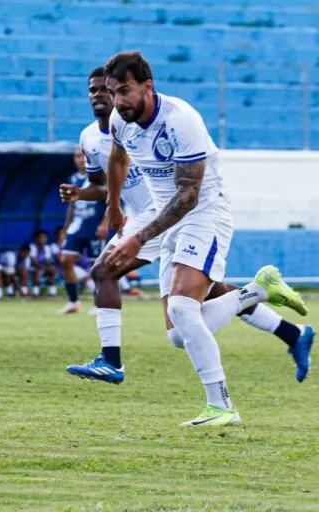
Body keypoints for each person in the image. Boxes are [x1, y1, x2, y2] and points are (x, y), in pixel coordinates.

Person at [79, 52, 310, 426]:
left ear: (147, 86)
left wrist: (138, 240)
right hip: (159, 213)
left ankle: (221, 405)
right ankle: (258, 291)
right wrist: (114, 208)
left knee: (183, 309)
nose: (118, 101)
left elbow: (188, 196)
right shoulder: (121, 123)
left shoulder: (180, 120)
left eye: (125, 91)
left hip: (203, 211)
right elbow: (118, 160)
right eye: (112, 92)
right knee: (177, 334)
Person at [58, 146, 107, 313]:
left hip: (94, 227)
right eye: (77, 156)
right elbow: (71, 206)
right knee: (65, 259)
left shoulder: (100, 177)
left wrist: (105, 224)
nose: (79, 159)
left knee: (97, 267)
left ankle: (98, 303)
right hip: (77, 227)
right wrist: (65, 229)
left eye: (82, 156)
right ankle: (73, 302)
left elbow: (112, 200)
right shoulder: (73, 179)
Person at [29, 230, 59, 297]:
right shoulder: (32, 247)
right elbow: (33, 261)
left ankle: (52, 293)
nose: (43, 240)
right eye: (41, 238)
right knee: (37, 271)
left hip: (43, 267)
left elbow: (48, 261)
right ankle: (35, 293)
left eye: (44, 238)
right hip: (33, 267)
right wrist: (42, 268)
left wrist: (48, 266)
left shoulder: (47, 247)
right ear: (37, 238)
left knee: (52, 271)